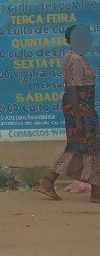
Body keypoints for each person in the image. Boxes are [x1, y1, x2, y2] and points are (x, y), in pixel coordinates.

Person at [39, 24, 100, 201]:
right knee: (87, 145)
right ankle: (49, 181)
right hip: (80, 107)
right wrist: (78, 118)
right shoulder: (75, 59)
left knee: (85, 146)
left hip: (83, 106)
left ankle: (49, 181)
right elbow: (72, 87)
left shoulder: (76, 57)